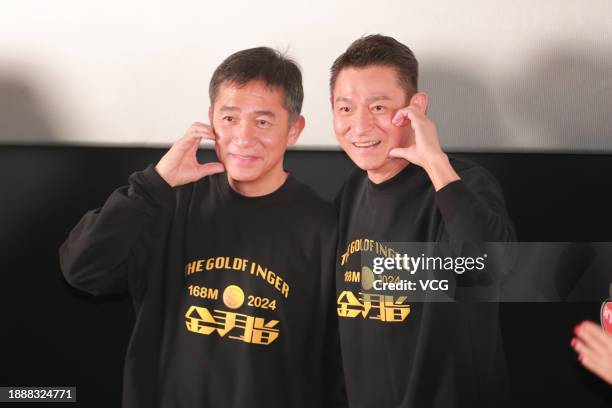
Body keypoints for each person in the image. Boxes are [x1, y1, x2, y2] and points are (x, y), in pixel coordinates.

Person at [60, 47, 345, 408]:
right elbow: (82, 271)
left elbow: (338, 364)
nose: (243, 137)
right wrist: (154, 185)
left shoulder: (323, 227)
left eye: (263, 121)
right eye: (229, 118)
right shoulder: (167, 202)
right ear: (211, 120)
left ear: (294, 129)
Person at [330, 34, 516, 407]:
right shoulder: (349, 194)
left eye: (379, 107)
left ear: (415, 107)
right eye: (345, 108)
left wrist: (434, 161)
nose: (360, 126)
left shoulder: (463, 184)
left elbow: (496, 265)